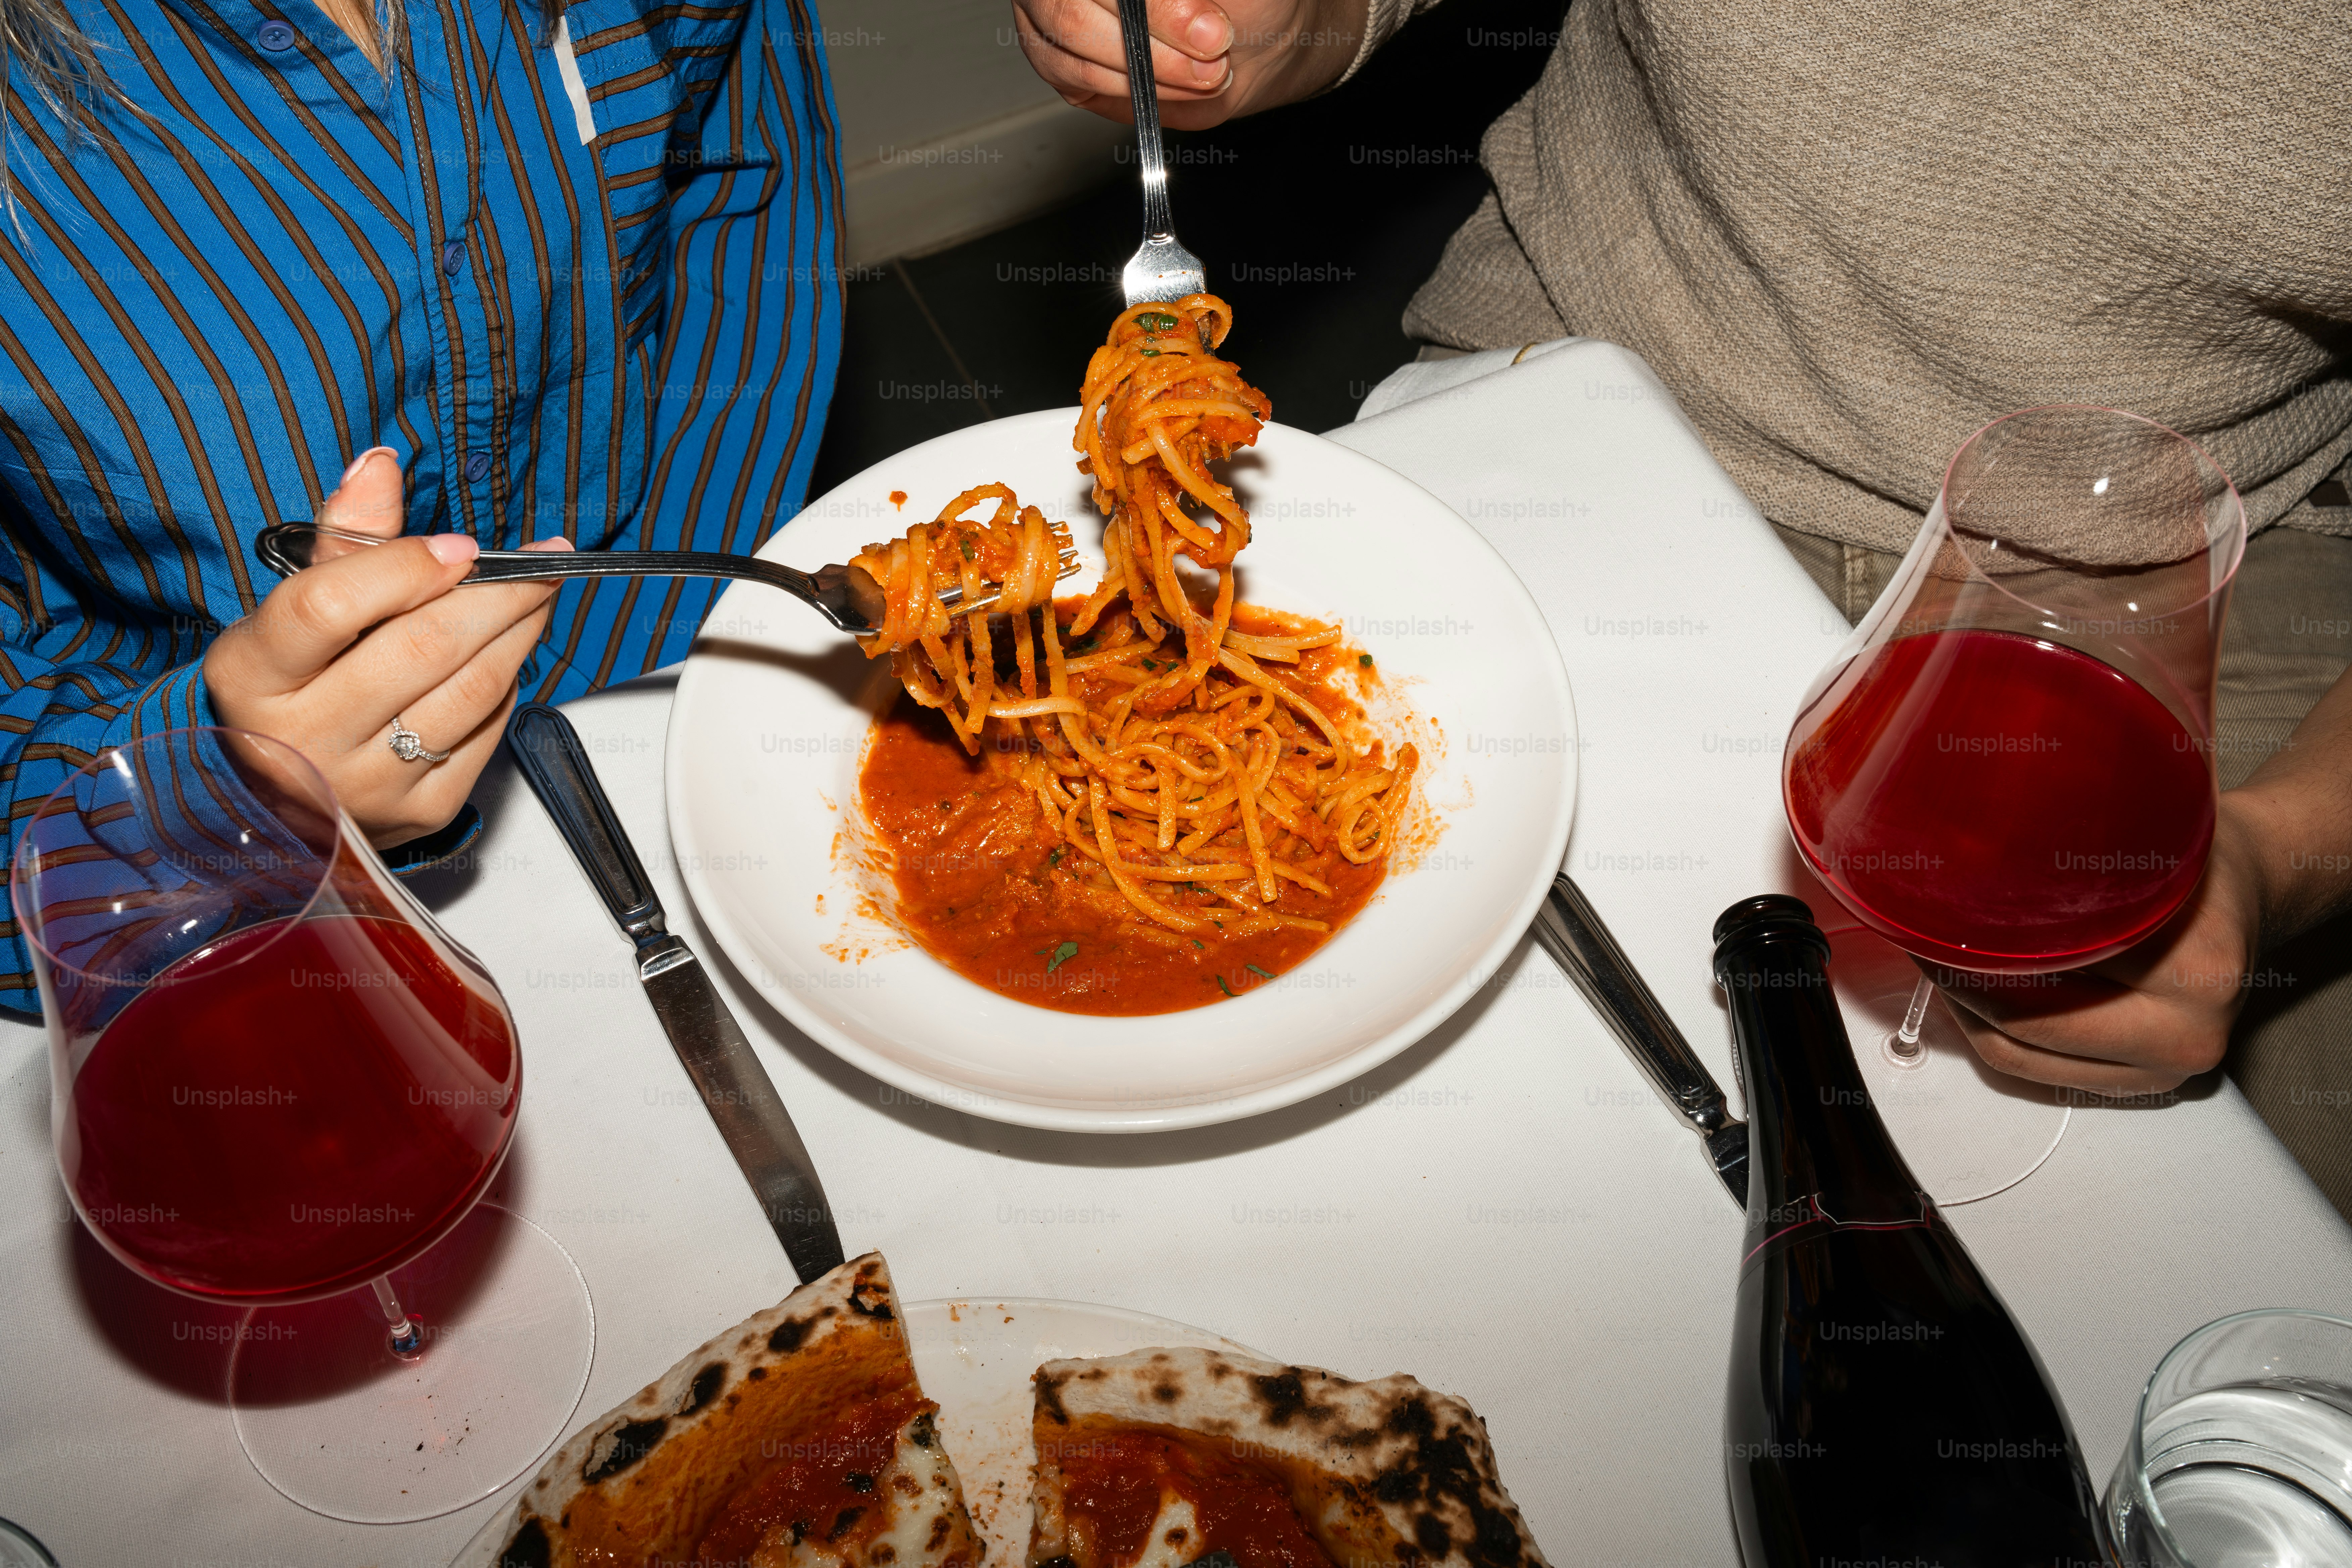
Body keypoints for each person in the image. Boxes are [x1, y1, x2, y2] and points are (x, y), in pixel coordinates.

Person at [1010, 0, 2352, 1208]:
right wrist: (1294, 22)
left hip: (2182, 568)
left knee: (2211, 1281)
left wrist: (2275, 857)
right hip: (1600, 375)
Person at [0, 0, 844, 1002]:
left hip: (683, 698)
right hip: (237, 934)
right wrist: (219, 804)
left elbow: (739, 184)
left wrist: (657, 640)